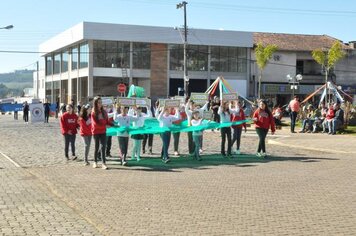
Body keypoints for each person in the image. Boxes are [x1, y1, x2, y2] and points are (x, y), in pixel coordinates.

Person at [91, 96, 110, 170]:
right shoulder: (93, 112)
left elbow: (107, 121)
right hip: (96, 131)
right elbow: (95, 124)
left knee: (103, 147)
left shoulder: (104, 112)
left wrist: (113, 124)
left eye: (101, 102)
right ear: (95, 103)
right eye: (99, 102)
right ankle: (95, 162)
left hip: (103, 131)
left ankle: (103, 163)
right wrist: (105, 125)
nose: (100, 104)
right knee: (96, 147)